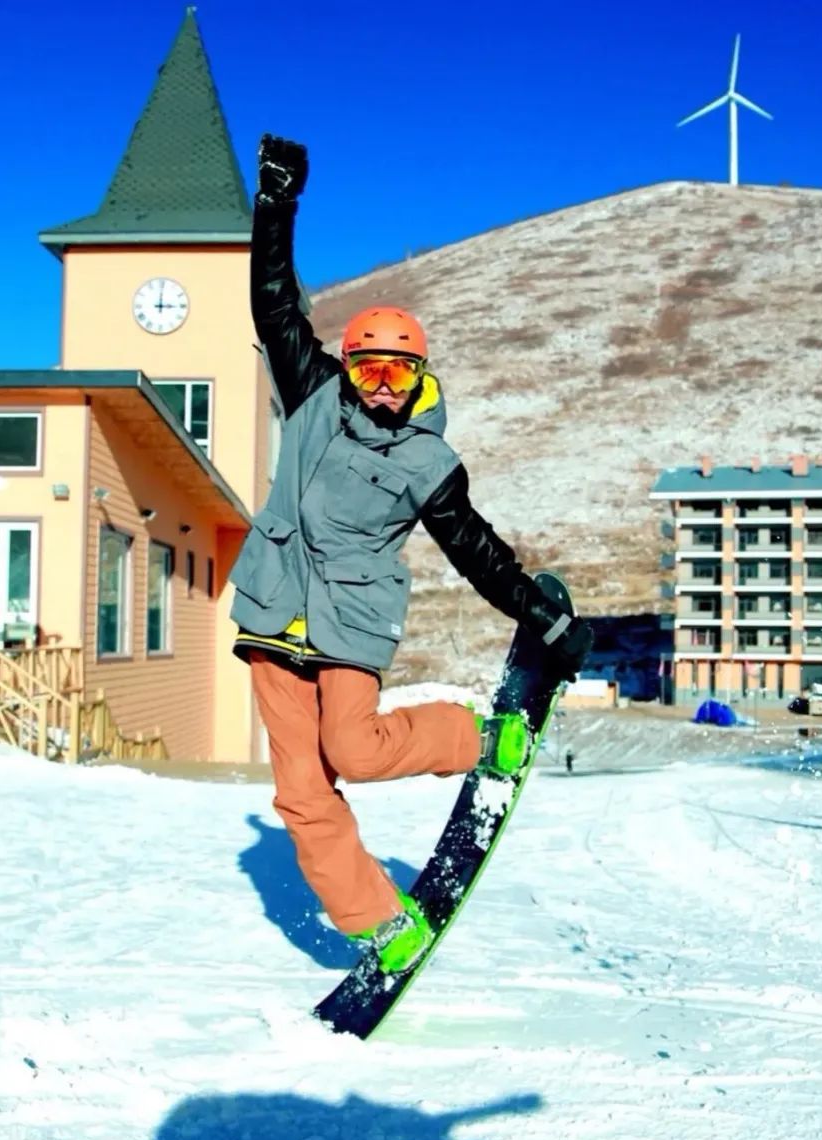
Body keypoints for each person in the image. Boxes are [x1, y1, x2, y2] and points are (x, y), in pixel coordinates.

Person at [228, 134, 592, 975]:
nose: (381, 387)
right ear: (346, 366)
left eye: (398, 373)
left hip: (350, 621)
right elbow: (274, 305)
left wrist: (544, 615)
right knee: (301, 793)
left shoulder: (429, 460)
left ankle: (477, 737)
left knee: (353, 750)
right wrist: (276, 205)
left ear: (420, 374)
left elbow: (474, 550)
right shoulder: (314, 395)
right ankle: (378, 924)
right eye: (368, 370)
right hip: (270, 615)